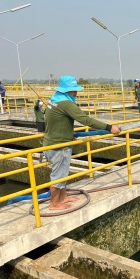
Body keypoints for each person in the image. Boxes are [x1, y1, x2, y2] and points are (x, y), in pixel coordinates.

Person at [44, 76, 120, 210]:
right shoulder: (66, 104)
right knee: (58, 176)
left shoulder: (55, 99)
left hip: (56, 141)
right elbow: (86, 120)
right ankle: (54, 204)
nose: (76, 93)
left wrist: (68, 134)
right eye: (73, 91)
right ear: (66, 91)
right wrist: (109, 127)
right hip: (59, 146)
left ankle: (63, 197)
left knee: (63, 172)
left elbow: (56, 122)